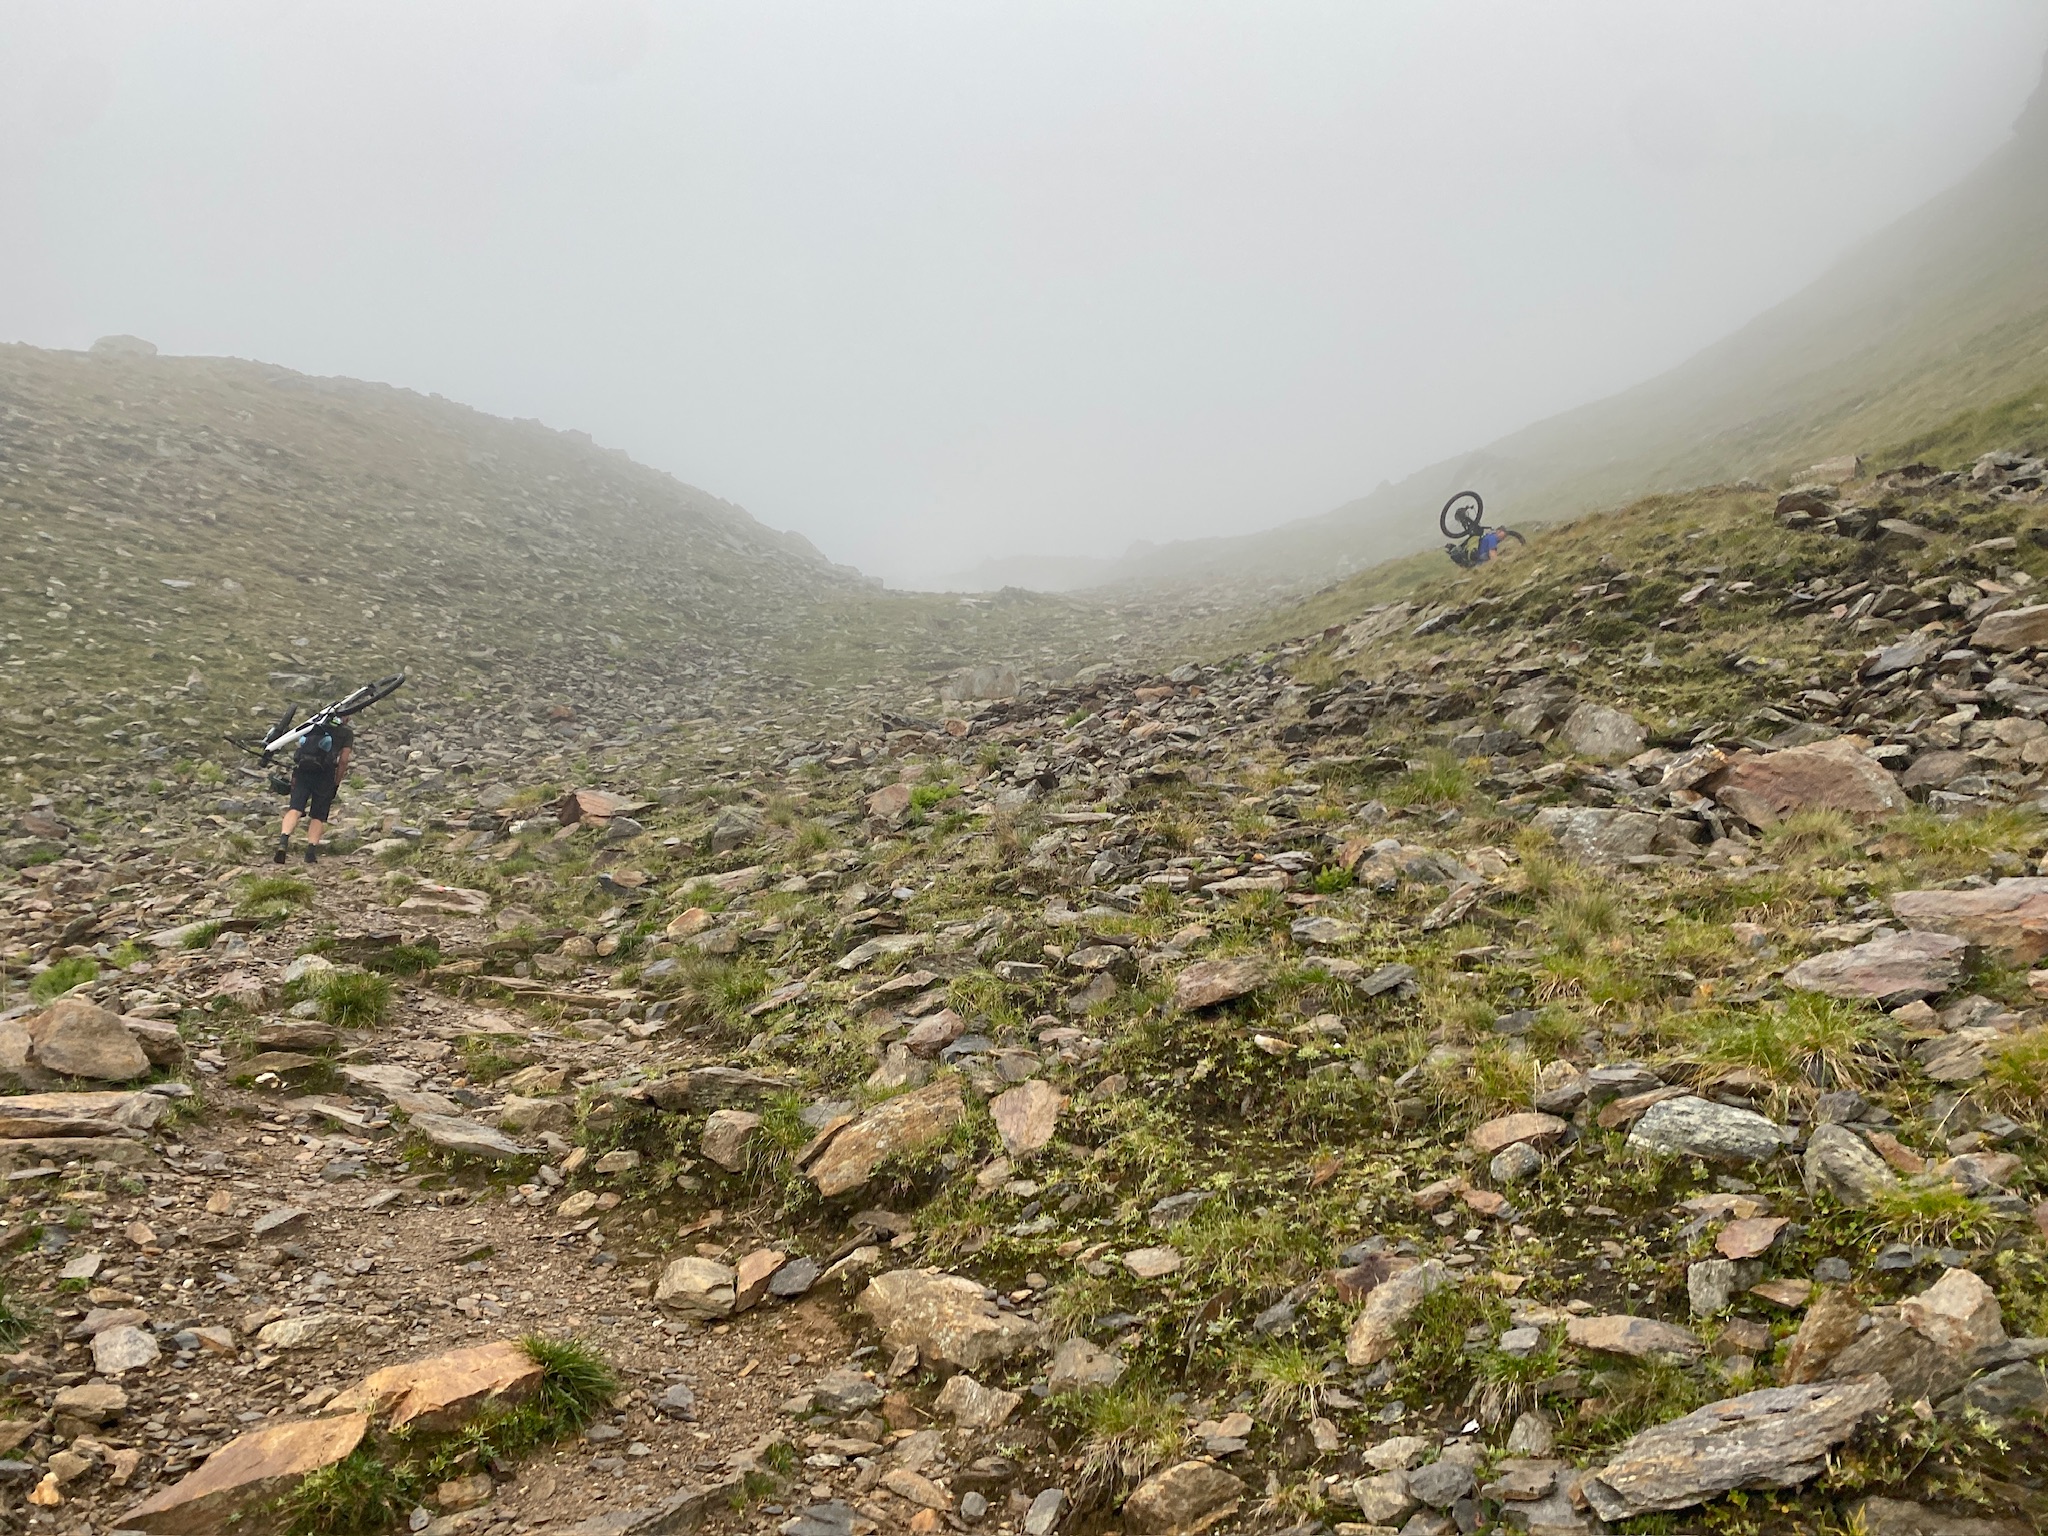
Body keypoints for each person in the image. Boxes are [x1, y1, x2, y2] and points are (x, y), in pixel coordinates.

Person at [274, 715, 353, 864]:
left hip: (303, 770)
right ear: (346, 716)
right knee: (318, 815)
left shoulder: (314, 723)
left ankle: (283, 841)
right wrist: (336, 782)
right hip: (325, 775)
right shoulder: (346, 733)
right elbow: (343, 760)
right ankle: (310, 853)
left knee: (295, 809)